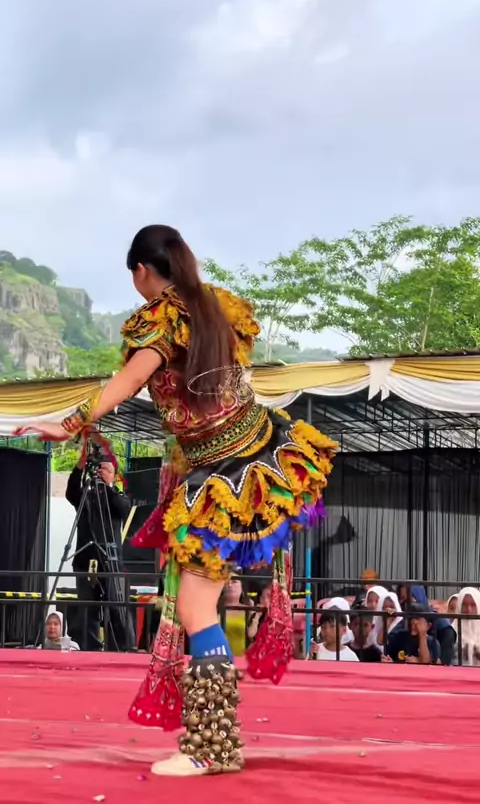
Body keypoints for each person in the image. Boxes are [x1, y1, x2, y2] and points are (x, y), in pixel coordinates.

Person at [14, 225, 336, 778]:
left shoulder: (163, 318)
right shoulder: (214, 306)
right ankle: (214, 743)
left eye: (134, 275)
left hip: (224, 480)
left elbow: (127, 381)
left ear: (142, 271)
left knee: (194, 609)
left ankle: (211, 747)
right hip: (258, 458)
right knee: (197, 607)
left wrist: (66, 425)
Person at [65, 450, 136, 652]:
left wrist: (107, 486)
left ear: (114, 475)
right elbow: (71, 492)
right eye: (99, 469)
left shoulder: (118, 496)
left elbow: (123, 509)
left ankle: (122, 649)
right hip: (85, 559)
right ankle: (90, 649)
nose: (101, 472)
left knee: (116, 607)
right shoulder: (86, 496)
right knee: (88, 609)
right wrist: (79, 468)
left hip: (110, 560)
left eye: (107, 469)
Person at [452, 587, 480, 666]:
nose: (469, 609)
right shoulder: (452, 629)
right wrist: (461, 652)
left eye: (473, 605)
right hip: (458, 672)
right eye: (464, 604)